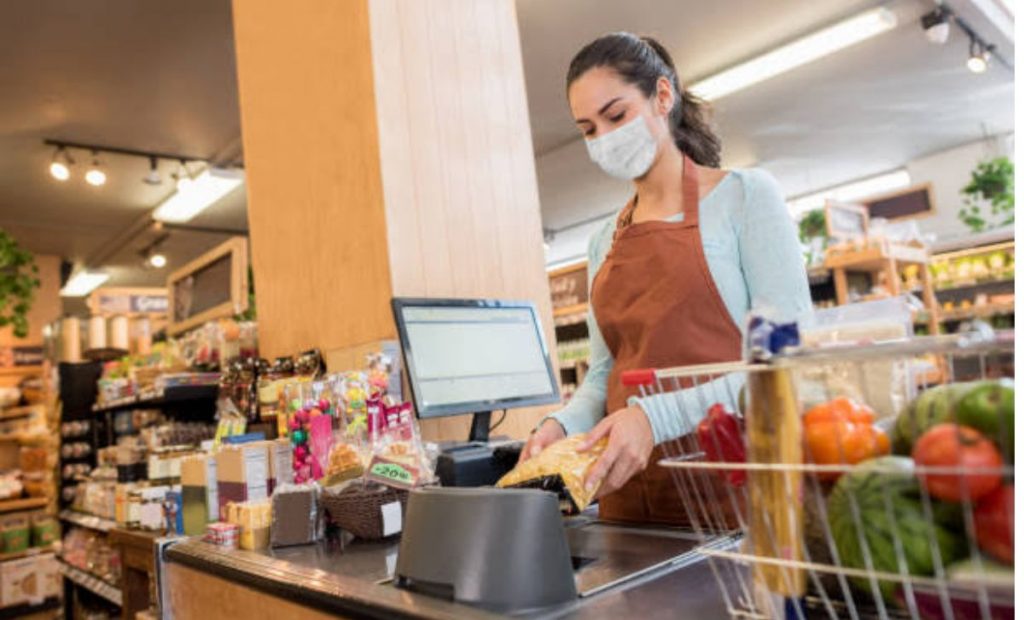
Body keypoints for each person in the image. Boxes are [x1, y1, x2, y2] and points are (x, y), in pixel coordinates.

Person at [520, 32, 812, 524]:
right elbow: (602, 376)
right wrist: (560, 425)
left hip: (738, 499)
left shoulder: (744, 198)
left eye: (616, 116)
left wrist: (654, 418)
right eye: (588, 129)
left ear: (662, 96)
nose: (604, 138)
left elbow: (784, 362)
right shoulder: (603, 241)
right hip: (630, 502)